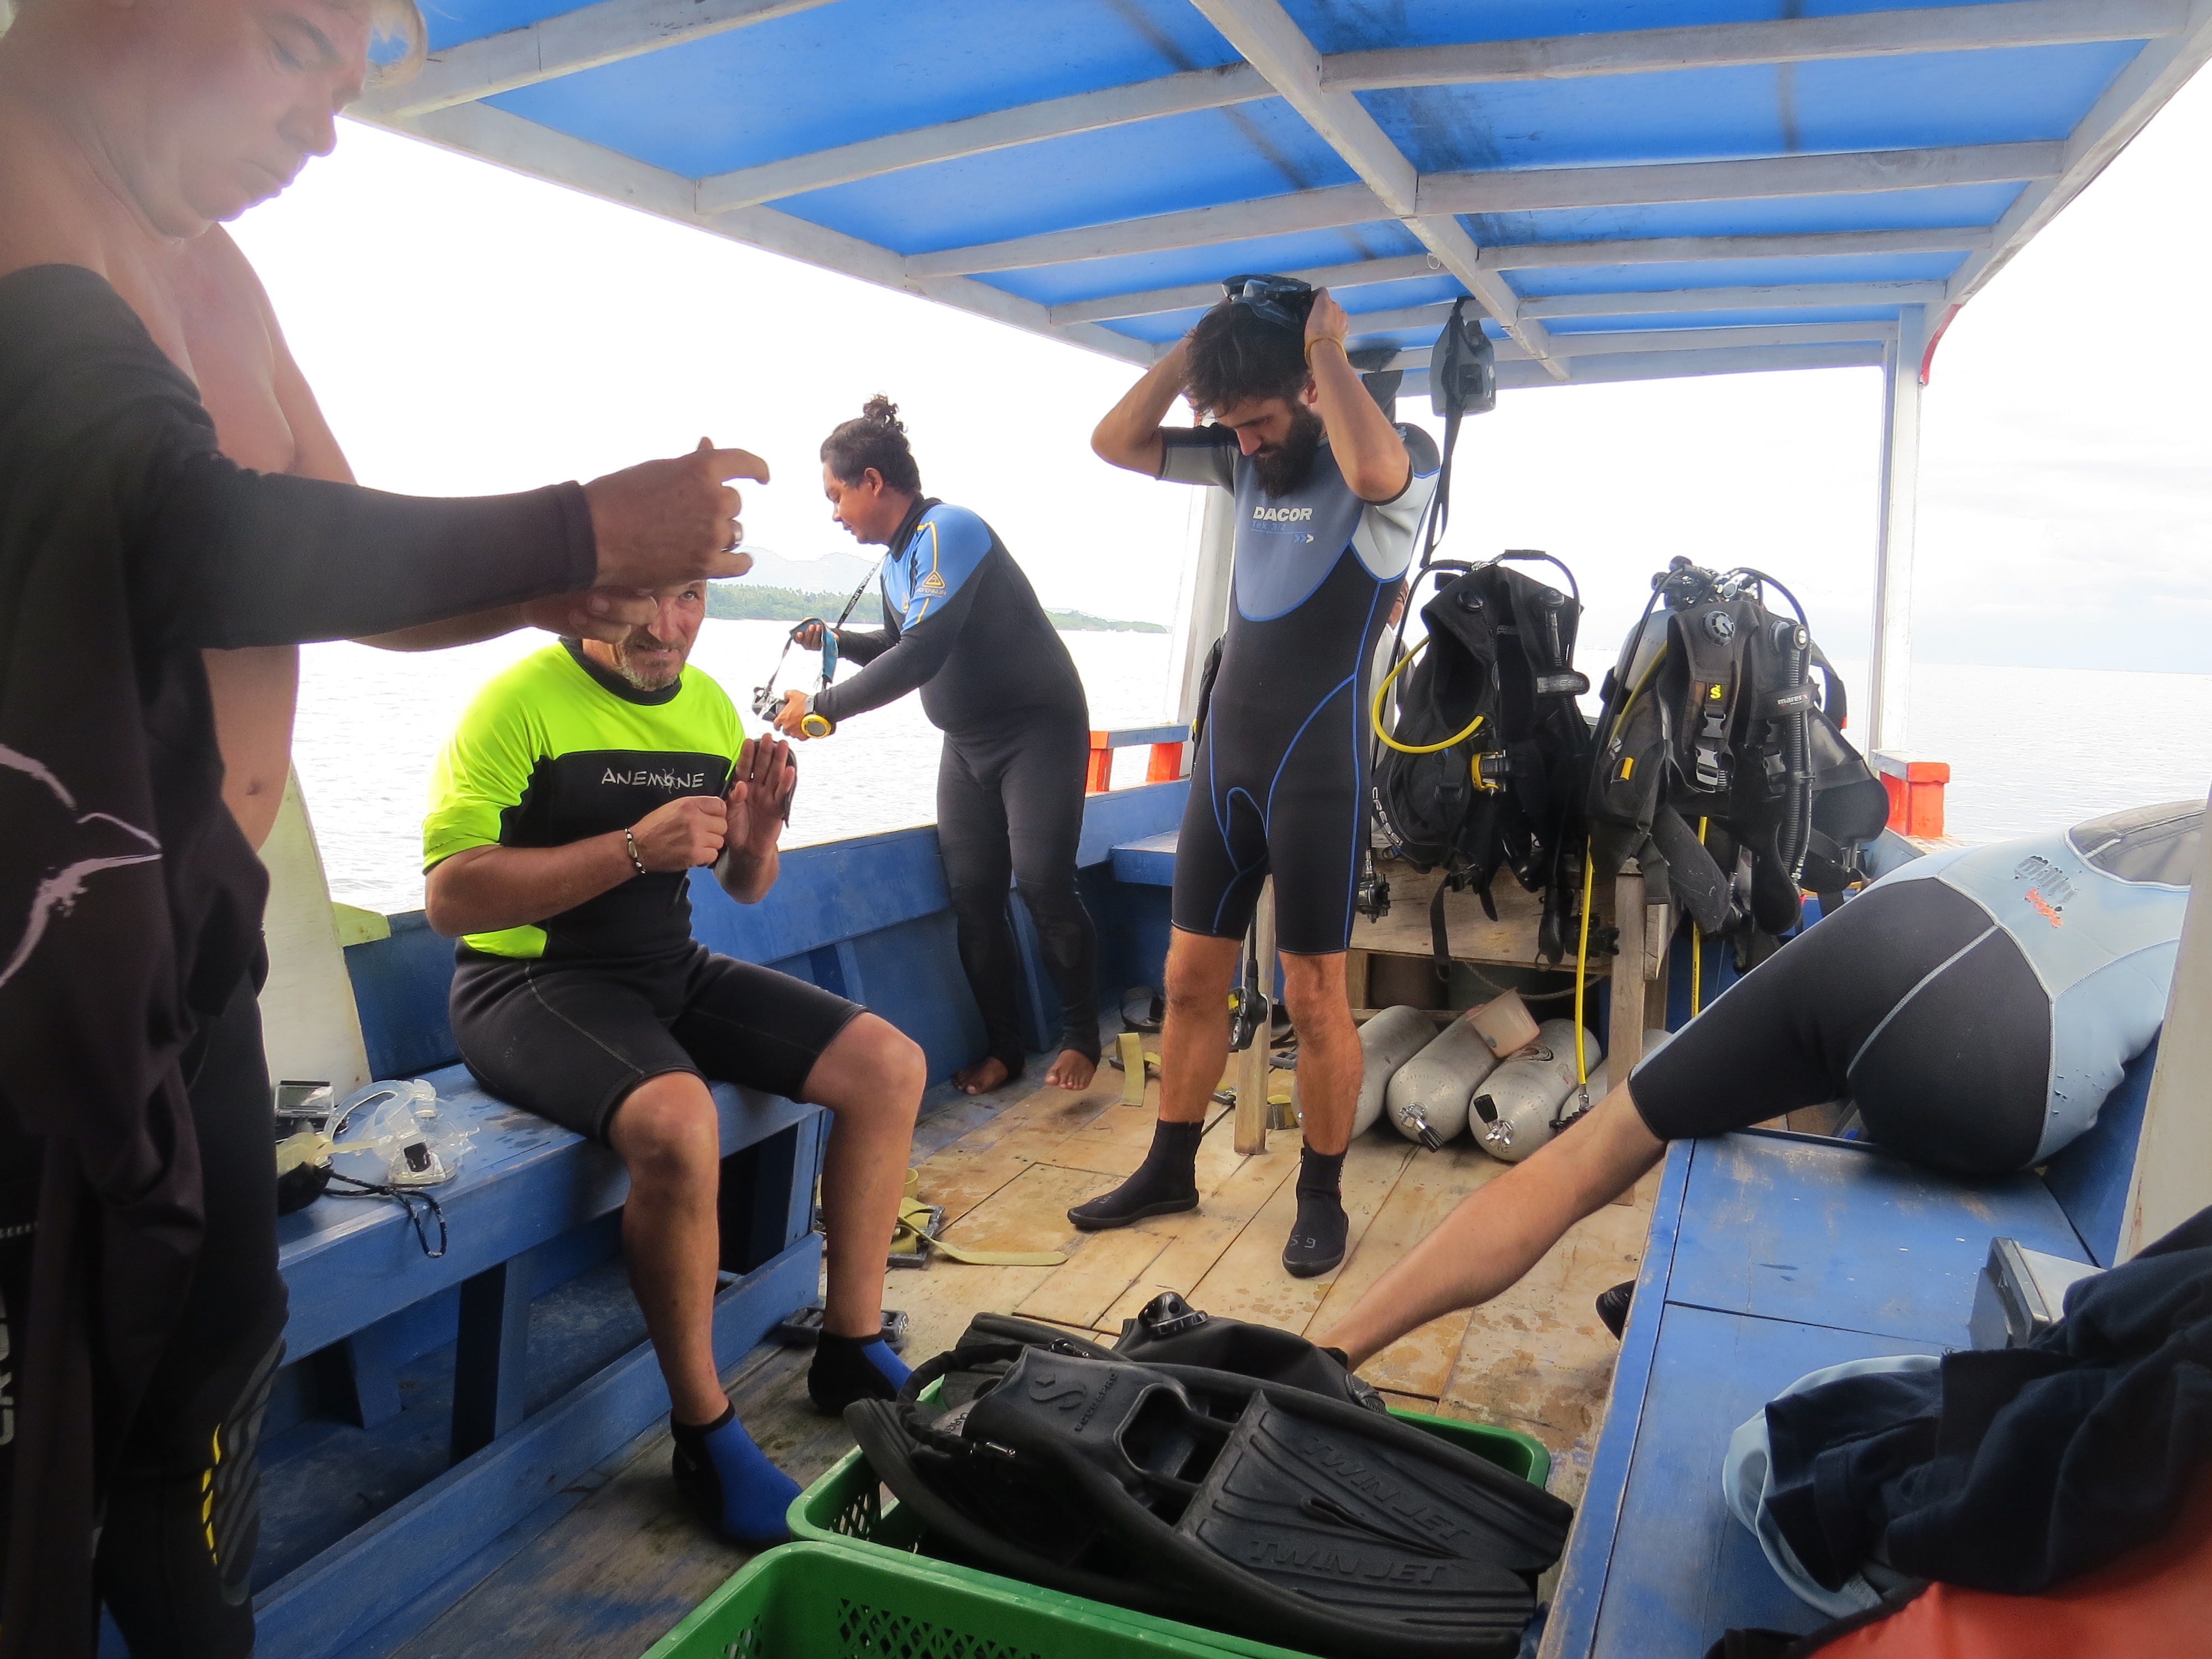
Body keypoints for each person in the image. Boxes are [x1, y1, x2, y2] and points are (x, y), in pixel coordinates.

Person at [0, 2, 757, 1651]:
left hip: (177, 944)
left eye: (347, 88)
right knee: (27, 1456)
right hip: (29, 977)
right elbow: (178, 534)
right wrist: (575, 514)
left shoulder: (201, 262)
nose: (319, 128)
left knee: (207, 1356)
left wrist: (553, 576)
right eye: (293, 47)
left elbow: (317, 547)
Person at [1317, 802, 2200, 1368]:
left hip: (1899, 923)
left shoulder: (2167, 812)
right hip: (2004, 1059)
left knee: (1593, 1151)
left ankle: (1329, 1349)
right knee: (1913, 1130)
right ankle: (1748, 1303)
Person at [425, 581, 925, 1543]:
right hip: (527, 982)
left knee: (890, 1064)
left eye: (689, 597)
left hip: (666, 970)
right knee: (678, 1118)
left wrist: (759, 837)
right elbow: (452, 899)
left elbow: (740, 885)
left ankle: (851, 1345)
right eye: (640, 598)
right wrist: (629, 848)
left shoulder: (703, 708)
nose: (667, 625)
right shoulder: (516, 702)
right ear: (589, 597)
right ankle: (703, 1432)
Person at [1081, 278, 1441, 1276]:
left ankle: (1320, 1197)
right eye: (1228, 426)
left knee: (1314, 993)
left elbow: (1375, 475)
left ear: (1312, 390)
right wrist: (1195, 353)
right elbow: (1115, 440)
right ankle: (1168, 1167)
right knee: (1189, 981)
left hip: (1315, 772)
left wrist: (1325, 350)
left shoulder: (1388, 454)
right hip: (1225, 765)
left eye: (1258, 420)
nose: (1243, 442)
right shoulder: (1247, 463)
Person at [773, 397, 1101, 1095]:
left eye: (836, 496)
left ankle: (1080, 1036)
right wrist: (837, 643)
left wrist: (821, 711)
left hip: (1037, 730)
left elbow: (922, 655)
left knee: (1043, 881)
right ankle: (1006, 1050)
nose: (835, 513)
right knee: (973, 898)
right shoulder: (896, 562)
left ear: (871, 480)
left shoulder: (953, 530)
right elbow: (902, 644)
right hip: (966, 745)